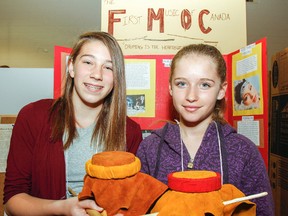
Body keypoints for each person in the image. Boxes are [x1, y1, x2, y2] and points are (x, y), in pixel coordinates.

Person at [4, 31, 143, 216]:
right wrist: (63, 208)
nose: (97, 74)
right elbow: (13, 201)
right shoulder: (33, 117)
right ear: (71, 67)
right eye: (88, 62)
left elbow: (130, 199)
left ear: (116, 78)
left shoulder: (129, 131)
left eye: (108, 67)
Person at [136, 44, 274, 216]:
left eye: (205, 85)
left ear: (221, 90)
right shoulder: (150, 148)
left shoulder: (244, 151)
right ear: (170, 87)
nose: (191, 96)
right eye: (181, 83)